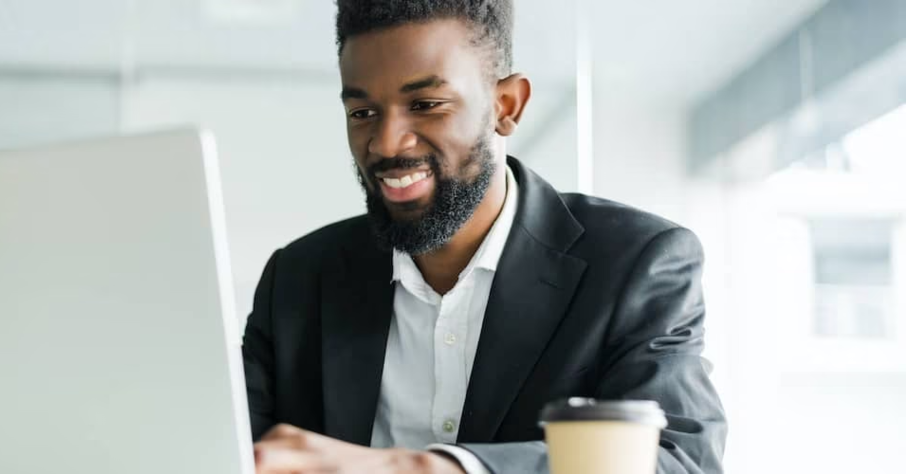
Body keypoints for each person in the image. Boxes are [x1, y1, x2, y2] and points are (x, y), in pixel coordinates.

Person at [243, 1, 727, 472]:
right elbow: (217, 448)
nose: (387, 143)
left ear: (506, 105)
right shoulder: (298, 279)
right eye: (363, 113)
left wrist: (429, 468)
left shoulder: (637, 263)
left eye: (425, 104)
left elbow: (676, 462)